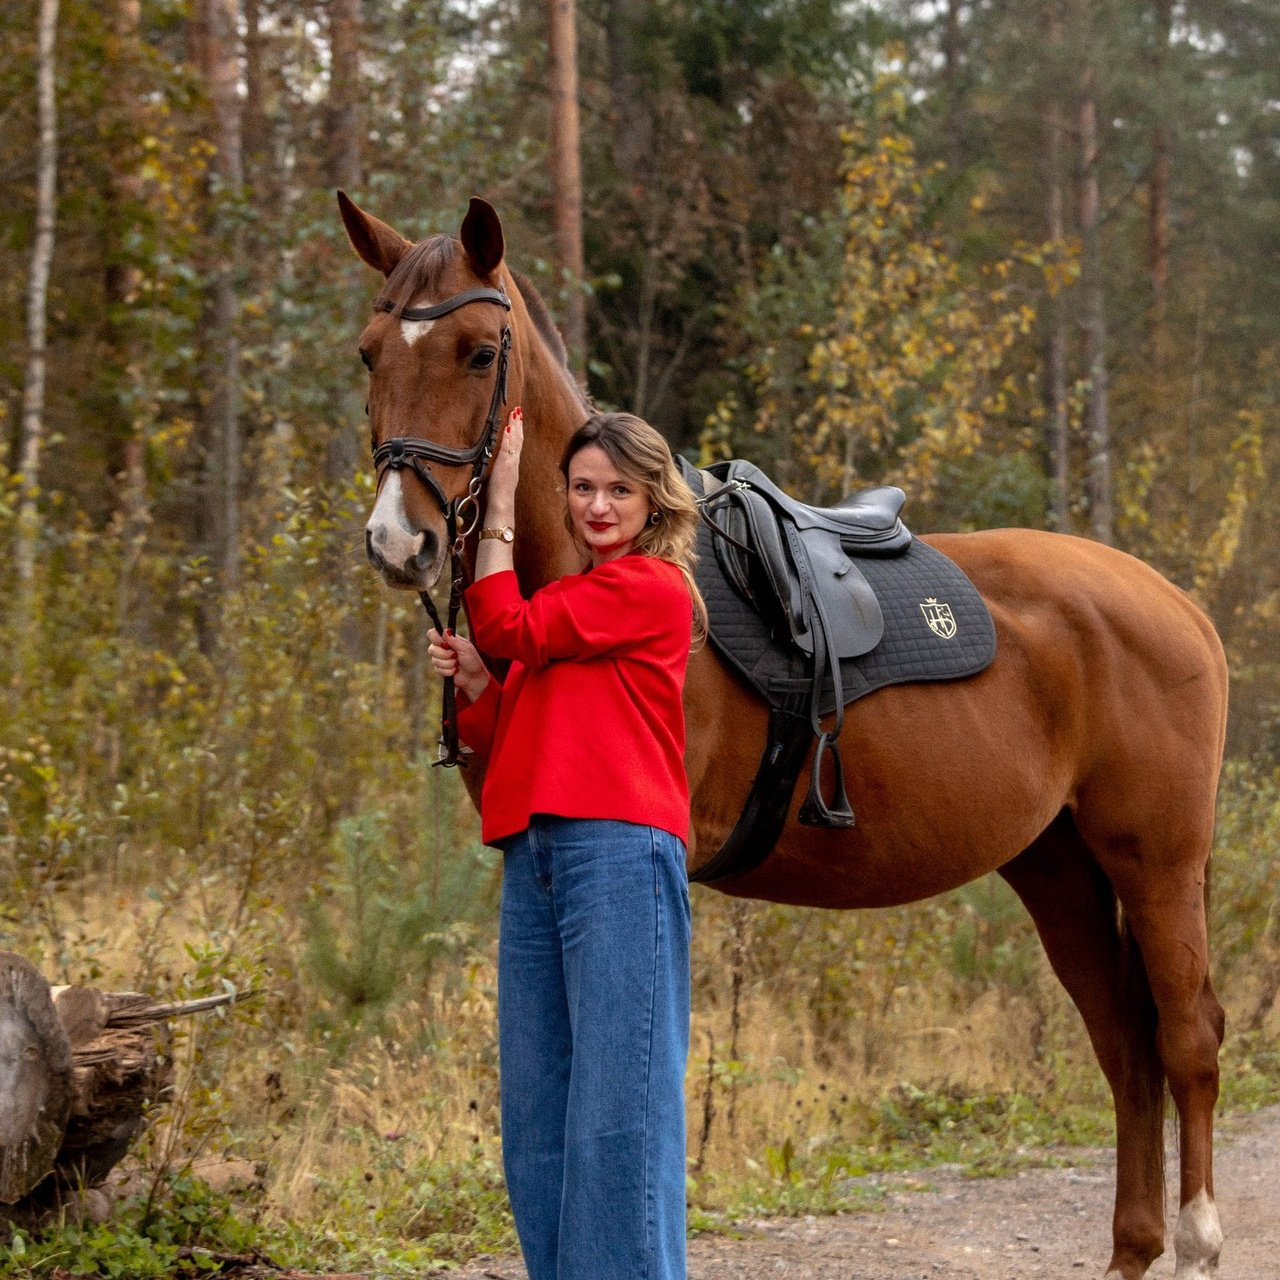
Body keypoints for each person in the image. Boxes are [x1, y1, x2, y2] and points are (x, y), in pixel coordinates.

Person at [426, 408, 707, 1280]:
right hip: (538, 855)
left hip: (621, 854)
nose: (597, 506)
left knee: (620, 1112)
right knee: (540, 1112)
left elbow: (511, 627)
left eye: (619, 490)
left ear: (654, 501)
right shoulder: (578, 604)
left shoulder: (650, 588)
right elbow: (527, 720)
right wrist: (481, 685)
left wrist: (502, 496)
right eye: (582, 487)